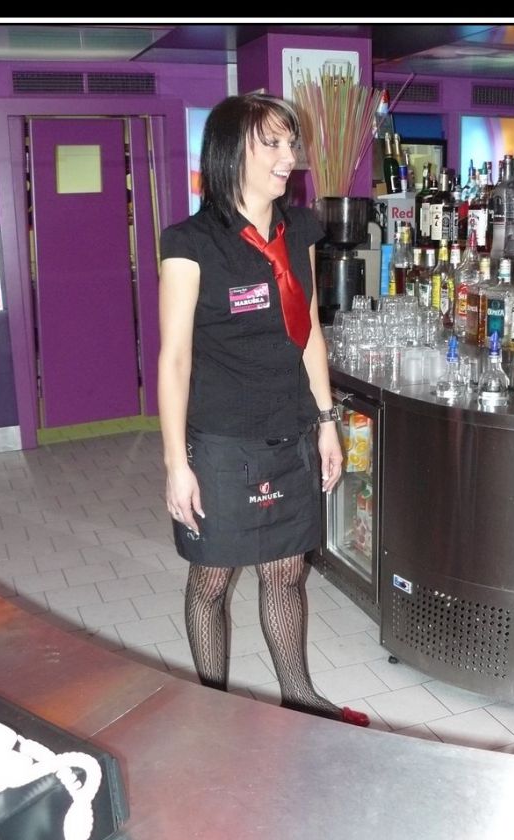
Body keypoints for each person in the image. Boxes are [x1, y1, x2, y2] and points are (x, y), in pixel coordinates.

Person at [158, 92, 369, 728]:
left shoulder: (299, 230)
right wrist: (176, 465)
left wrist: (326, 421)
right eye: (272, 143)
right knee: (212, 580)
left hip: (291, 431)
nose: (289, 156)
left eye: (290, 142)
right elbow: (174, 360)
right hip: (222, 441)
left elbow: (308, 332)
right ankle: (212, 706)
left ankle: (299, 698)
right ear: (231, 153)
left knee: (285, 573)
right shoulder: (190, 243)